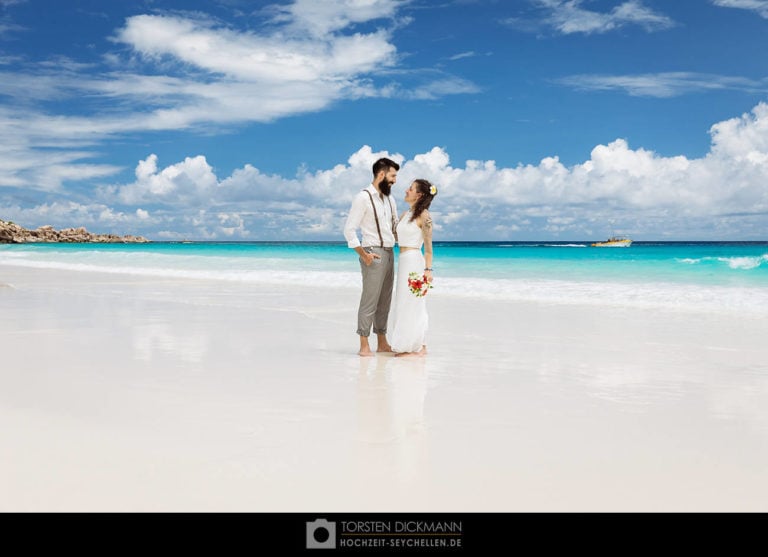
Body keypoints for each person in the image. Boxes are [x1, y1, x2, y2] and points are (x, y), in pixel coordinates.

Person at [343, 157, 400, 357]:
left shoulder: (390, 199)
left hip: (390, 251)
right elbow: (349, 230)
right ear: (381, 174)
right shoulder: (363, 197)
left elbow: (395, 228)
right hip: (372, 252)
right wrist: (364, 254)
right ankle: (364, 344)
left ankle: (382, 342)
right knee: (370, 300)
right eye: (393, 176)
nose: (394, 180)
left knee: (385, 300)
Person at [389, 179, 437, 357]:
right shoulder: (405, 215)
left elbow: (429, 247)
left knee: (414, 303)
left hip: (415, 262)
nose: (406, 190)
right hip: (402, 261)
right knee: (402, 302)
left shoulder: (425, 216)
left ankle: (417, 346)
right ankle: (409, 344)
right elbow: (394, 237)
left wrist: (428, 270)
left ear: (419, 195)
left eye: (410, 188)